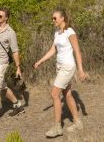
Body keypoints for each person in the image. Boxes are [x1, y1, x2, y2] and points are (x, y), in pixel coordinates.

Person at [32, 9, 88, 138]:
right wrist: (40, 61)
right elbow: (53, 50)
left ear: (63, 18)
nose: (53, 20)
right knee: (67, 94)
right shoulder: (57, 33)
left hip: (68, 67)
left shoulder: (70, 32)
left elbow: (77, 51)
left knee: (54, 94)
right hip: (60, 67)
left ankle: (57, 127)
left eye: (55, 18)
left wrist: (80, 70)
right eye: (52, 18)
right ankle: (78, 122)